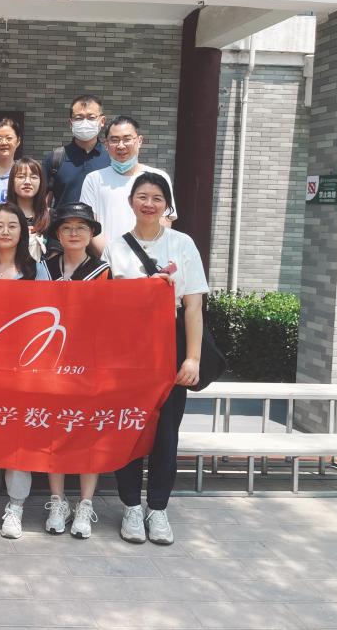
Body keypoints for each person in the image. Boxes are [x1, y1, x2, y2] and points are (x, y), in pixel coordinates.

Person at [105, 172, 207, 546]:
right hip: (127, 347)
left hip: (171, 343)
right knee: (129, 427)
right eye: (143, 196)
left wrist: (192, 358)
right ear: (131, 201)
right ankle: (131, 506)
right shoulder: (115, 248)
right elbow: (104, 305)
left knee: (166, 431)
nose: (149, 204)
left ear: (167, 205)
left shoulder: (183, 244)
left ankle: (158, 508)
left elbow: (193, 306)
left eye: (157, 198)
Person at [0, 202, 49, 539]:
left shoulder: (37, 270)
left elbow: (50, 316)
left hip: (25, 369)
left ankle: (15, 508)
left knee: (20, 440)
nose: (5, 232)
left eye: (12, 226)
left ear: (23, 232)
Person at [41, 203, 111, 538]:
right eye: (67, 227)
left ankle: (85, 503)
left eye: (81, 228)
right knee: (54, 431)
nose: (73, 233)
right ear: (57, 233)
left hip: (88, 363)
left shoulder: (102, 271)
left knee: (87, 432)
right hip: (50, 360)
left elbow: (109, 318)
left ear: (91, 233)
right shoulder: (44, 266)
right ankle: (57, 501)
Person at [81, 116, 177, 255]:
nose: (121, 145)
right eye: (114, 140)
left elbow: (165, 219)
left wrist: (145, 256)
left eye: (127, 139)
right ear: (106, 144)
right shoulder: (93, 179)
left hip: (149, 260)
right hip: (107, 261)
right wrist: (114, 258)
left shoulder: (159, 177)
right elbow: (89, 225)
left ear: (139, 141)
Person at [42, 94, 110, 211]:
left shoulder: (111, 158)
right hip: (63, 222)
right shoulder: (54, 159)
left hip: (103, 223)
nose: (85, 122)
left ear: (102, 121)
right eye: (79, 118)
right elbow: (43, 202)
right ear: (70, 123)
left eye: (91, 117)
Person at [5, 157, 50, 262]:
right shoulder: (2, 214)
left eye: (33, 177)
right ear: (12, 181)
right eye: (21, 176)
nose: (27, 182)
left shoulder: (50, 216)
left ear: (41, 182)